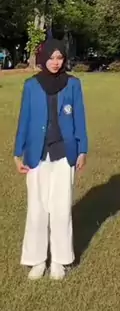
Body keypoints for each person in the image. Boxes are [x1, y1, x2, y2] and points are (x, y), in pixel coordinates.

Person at [13, 39, 88, 280]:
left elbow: (80, 118)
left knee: (61, 209)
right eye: (52, 57)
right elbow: (24, 119)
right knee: (37, 210)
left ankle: (59, 260)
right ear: (43, 58)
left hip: (64, 153)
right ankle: (37, 259)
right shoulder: (31, 85)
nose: (56, 62)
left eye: (60, 58)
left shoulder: (73, 84)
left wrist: (82, 149)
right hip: (37, 154)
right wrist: (17, 152)